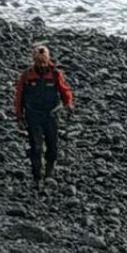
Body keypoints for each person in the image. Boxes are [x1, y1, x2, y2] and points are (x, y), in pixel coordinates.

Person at [13, 45, 74, 190]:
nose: (42, 64)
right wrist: (19, 118)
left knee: (52, 146)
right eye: (39, 61)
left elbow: (64, 90)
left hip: (50, 115)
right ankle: (36, 177)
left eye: (44, 61)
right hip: (33, 116)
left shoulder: (55, 74)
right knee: (36, 146)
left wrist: (69, 104)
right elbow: (18, 97)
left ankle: (49, 172)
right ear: (34, 60)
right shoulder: (27, 76)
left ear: (48, 59)